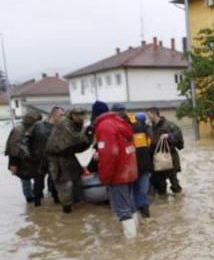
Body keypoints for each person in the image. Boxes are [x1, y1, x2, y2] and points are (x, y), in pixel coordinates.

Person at [92, 101, 139, 238]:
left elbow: (110, 154)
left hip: (118, 175)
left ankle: (131, 244)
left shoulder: (104, 126)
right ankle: (137, 236)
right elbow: (121, 147)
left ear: (95, 115)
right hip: (130, 170)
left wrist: (105, 177)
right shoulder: (119, 122)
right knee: (130, 206)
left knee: (122, 210)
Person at [46, 108, 90, 213]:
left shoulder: (74, 124)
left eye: (82, 115)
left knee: (76, 181)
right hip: (57, 158)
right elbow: (76, 139)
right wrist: (87, 132)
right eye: (78, 115)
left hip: (68, 155)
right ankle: (67, 210)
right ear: (72, 115)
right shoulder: (65, 124)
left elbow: (81, 145)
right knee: (65, 184)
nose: (81, 118)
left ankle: (78, 212)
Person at [21, 106, 65, 205]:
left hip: (53, 159)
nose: (63, 117)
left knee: (55, 181)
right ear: (54, 114)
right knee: (39, 183)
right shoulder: (38, 125)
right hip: (38, 159)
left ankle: (56, 200)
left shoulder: (60, 127)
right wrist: (26, 153)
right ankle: (37, 203)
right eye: (61, 115)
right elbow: (25, 139)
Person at [5, 110, 42, 204]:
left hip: (34, 159)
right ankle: (29, 199)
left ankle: (36, 197)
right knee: (26, 179)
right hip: (21, 160)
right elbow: (13, 148)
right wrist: (13, 164)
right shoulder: (18, 130)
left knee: (36, 179)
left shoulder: (36, 128)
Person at [148, 107, 183, 194]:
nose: (148, 117)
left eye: (149, 114)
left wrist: (169, 136)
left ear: (154, 113)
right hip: (157, 160)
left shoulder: (169, 125)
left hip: (170, 158)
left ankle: (178, 203)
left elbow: (179, 140)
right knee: (160, 186)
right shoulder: (151, 128)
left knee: (174, 183)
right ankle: (164, 203)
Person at [131, 112, 153, 218]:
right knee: (143, 189)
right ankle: (145, 210)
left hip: (132, 165)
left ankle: (136, 210)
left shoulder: (128, 129)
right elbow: (150, 145)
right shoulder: (147, 129)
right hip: (145, 164)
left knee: (134, 188)